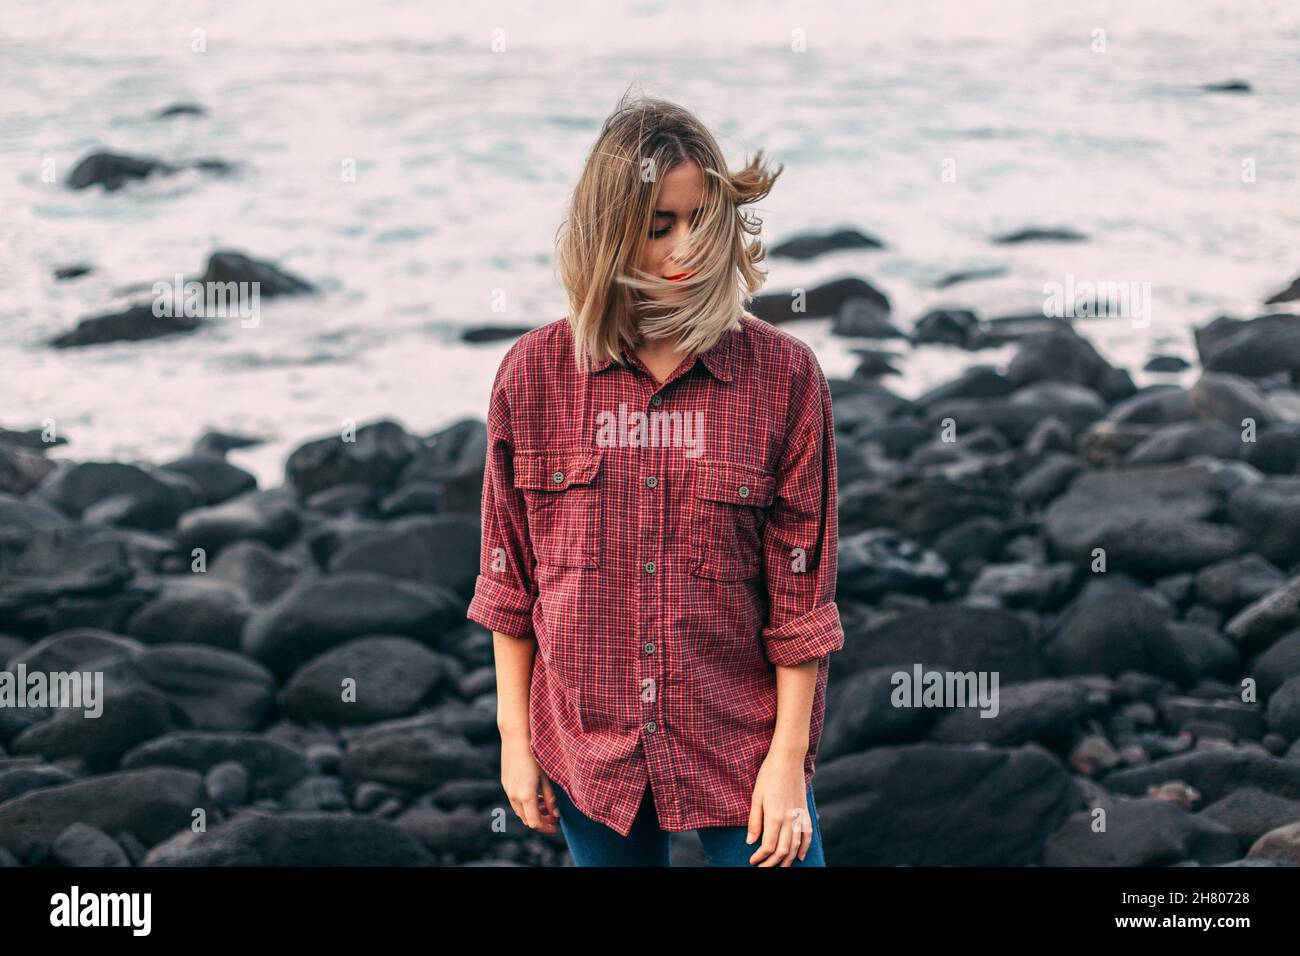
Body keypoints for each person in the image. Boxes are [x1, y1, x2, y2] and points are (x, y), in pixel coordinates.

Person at [467, 92, 844, 867]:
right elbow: (509, 579)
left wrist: (786, 763)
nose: (688, 249)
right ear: (610, 235)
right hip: (586, 746)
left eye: (703, 219)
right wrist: (514, 739)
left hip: (739, 738)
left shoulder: (785, 379)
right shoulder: (534, 376)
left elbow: (802, 599)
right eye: (659, 227)